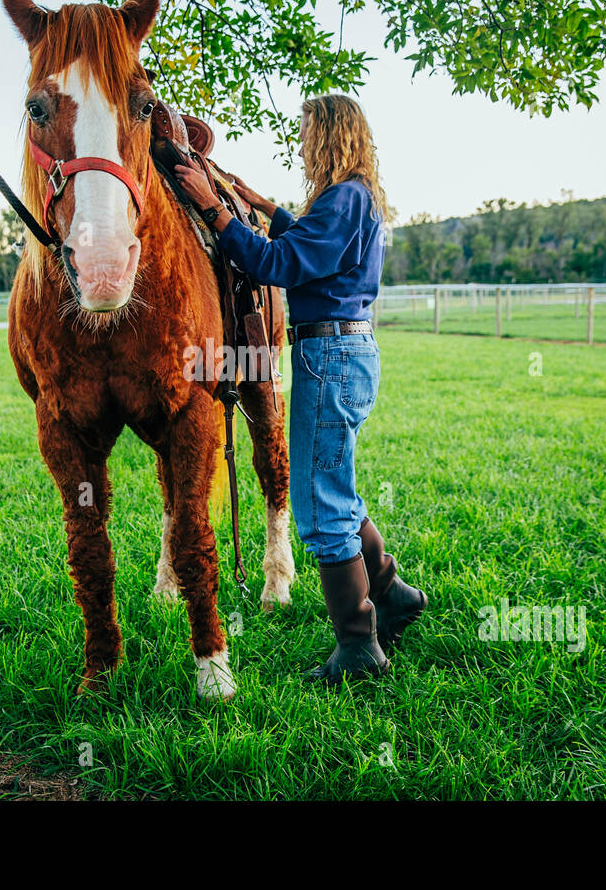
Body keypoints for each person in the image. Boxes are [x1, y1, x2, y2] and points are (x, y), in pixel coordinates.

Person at [174, 93, 426, 685]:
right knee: (339, 490)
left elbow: (278, 265)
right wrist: (268, 208)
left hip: (328, 356)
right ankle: (392, 594)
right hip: (348, 351)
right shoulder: (355, 198)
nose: (302, 145)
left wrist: (217, 213)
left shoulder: (342, 197)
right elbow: (314, 250)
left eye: (309, 133)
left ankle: (358, 647)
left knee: (320, 508)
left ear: (330, 136)